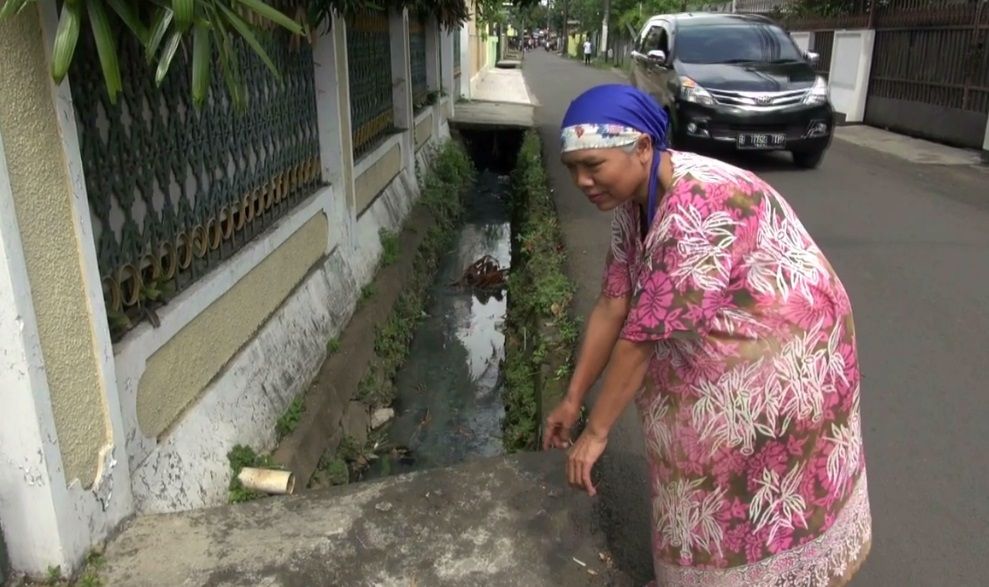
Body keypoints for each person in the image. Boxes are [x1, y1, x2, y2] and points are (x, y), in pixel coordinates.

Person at [543, 84, 872, 586]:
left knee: (742, 467)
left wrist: (596, 432)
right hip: (721, 333)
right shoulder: (634, 201)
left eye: (593, 165)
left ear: (642, 148)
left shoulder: (700, 202)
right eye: (572, 169)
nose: (583, 181)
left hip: (788, 346)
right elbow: (614, 303)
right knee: (690, 451)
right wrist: (572, 399)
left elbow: (641, 339)